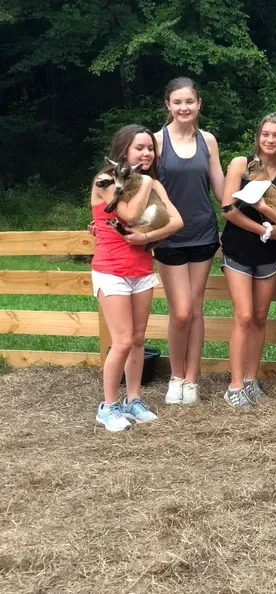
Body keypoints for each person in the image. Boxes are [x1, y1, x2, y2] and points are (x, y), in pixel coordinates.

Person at [92, 125, 184, 431]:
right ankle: (108, 406)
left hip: (142, 269)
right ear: (124, 151)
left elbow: (177, 222)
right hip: (111, 270)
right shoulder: (105, 180)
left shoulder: (153, 183)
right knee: (121, 341)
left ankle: (134, 399)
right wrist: (145, 180)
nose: (146, 154)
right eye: (139, 148)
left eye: (150, 149)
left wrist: (146, 236)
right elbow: (129, 215)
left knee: (138, 340)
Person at [219, 114, 276, 408]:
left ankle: (252, 380)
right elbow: (228, 209)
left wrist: (265, 208)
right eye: (266, 134)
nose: (270, 140)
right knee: (243, 316)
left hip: (268, 255)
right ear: (258, 136)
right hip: (239, 248)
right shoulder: (241, 165)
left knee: (259, 317)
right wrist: (265, 228)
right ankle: (235, 385)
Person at [153, 77, 225, 405]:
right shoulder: (155, 142)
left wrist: (254, 212)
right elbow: (137, 187)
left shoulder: (208, 140)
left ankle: (192, 380)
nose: (184, 107)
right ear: (168, 104)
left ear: (199, 104)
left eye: (190, 102)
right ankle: (175, 376)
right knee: (180, 312)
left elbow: (222, 191)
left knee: (195, 310)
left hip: (203, 234)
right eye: (177, 102)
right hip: (167, 236)